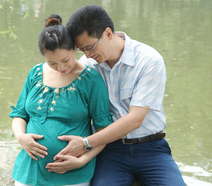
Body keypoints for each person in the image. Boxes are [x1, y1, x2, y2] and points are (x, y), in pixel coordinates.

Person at [49, 5, 186, 186]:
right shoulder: (87, 65)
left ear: (108, 33)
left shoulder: (148, 60)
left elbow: (135, 120)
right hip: (110, 149)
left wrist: (85, 143)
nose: (88, 55)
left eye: (90, 47)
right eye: (83, 50)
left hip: (151, 149)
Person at [9, 14, 113, 186]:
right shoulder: (35, 73)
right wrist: (21, 137)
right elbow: (20, 114)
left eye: (65, 60)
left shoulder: (90, 80)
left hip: (72, 174)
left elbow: (104, 131)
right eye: (52, 63)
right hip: (30, 171)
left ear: (74, 49)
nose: (61, 68)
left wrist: (82, 160)